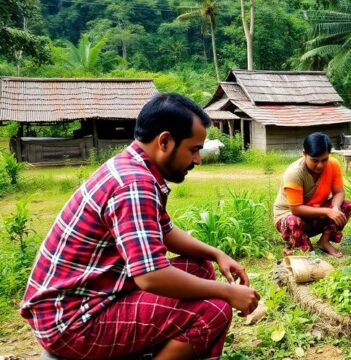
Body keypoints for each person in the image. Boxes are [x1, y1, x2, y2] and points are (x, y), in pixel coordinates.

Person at [20, 94, 260, 359]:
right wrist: (227, 292)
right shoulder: (134, 183)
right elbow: (151, 276)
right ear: (165, 141)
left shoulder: (133, 167)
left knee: (200, 266)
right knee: (214, 310)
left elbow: (166, 231)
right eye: (193, 149)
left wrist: (216, 254)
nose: (198, 160)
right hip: (73, 322)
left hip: (84, 299)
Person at [273, 132, 351, 258]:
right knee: (293, 222)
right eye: (314, 160)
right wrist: (327, 211)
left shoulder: (333, 165)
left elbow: (339, 192)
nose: (320, 165)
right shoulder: (294, 173)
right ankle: (301, 247)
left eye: (324, 160)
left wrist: (335, 208)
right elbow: (296, 209)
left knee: (345, 205)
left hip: (315, 214)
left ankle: (324, 242)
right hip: (290, 218)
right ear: (304, 153)